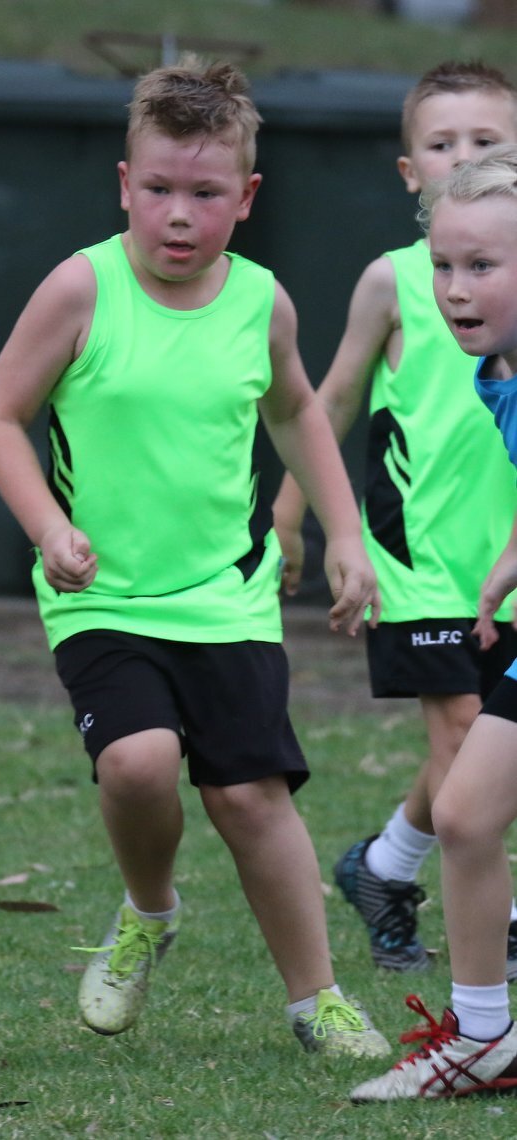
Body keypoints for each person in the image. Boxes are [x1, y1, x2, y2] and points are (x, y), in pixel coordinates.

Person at [0, 57, 389, 1056]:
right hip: (101, 593)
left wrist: (341, 536)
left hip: (227, 594)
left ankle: (317, 1000)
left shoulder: (263, 304)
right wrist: (46, 527)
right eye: (158, 189)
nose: (177, 215)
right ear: (125, 184)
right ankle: (149, 913)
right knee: (139, 761)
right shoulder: (81, 288)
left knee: (251, 796)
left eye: (204, 194)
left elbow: (294, 411)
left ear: (245, 199)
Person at [272, 61, 517, 978]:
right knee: (462, 728)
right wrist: (292, 515)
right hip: (417, 559)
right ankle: (497, 932)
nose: (462, 157)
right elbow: (326, 399)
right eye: (441, 144)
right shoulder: (395, 282)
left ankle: (384, 865)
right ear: (408, 170)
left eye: (486, 142)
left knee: (489, 729)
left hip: (502, 550)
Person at [350, 146, 517, 1101]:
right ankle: (486, 1040)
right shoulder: (496, 369)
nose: (453, 289)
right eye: (443, 266)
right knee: (462, 811)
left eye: (481, 267)